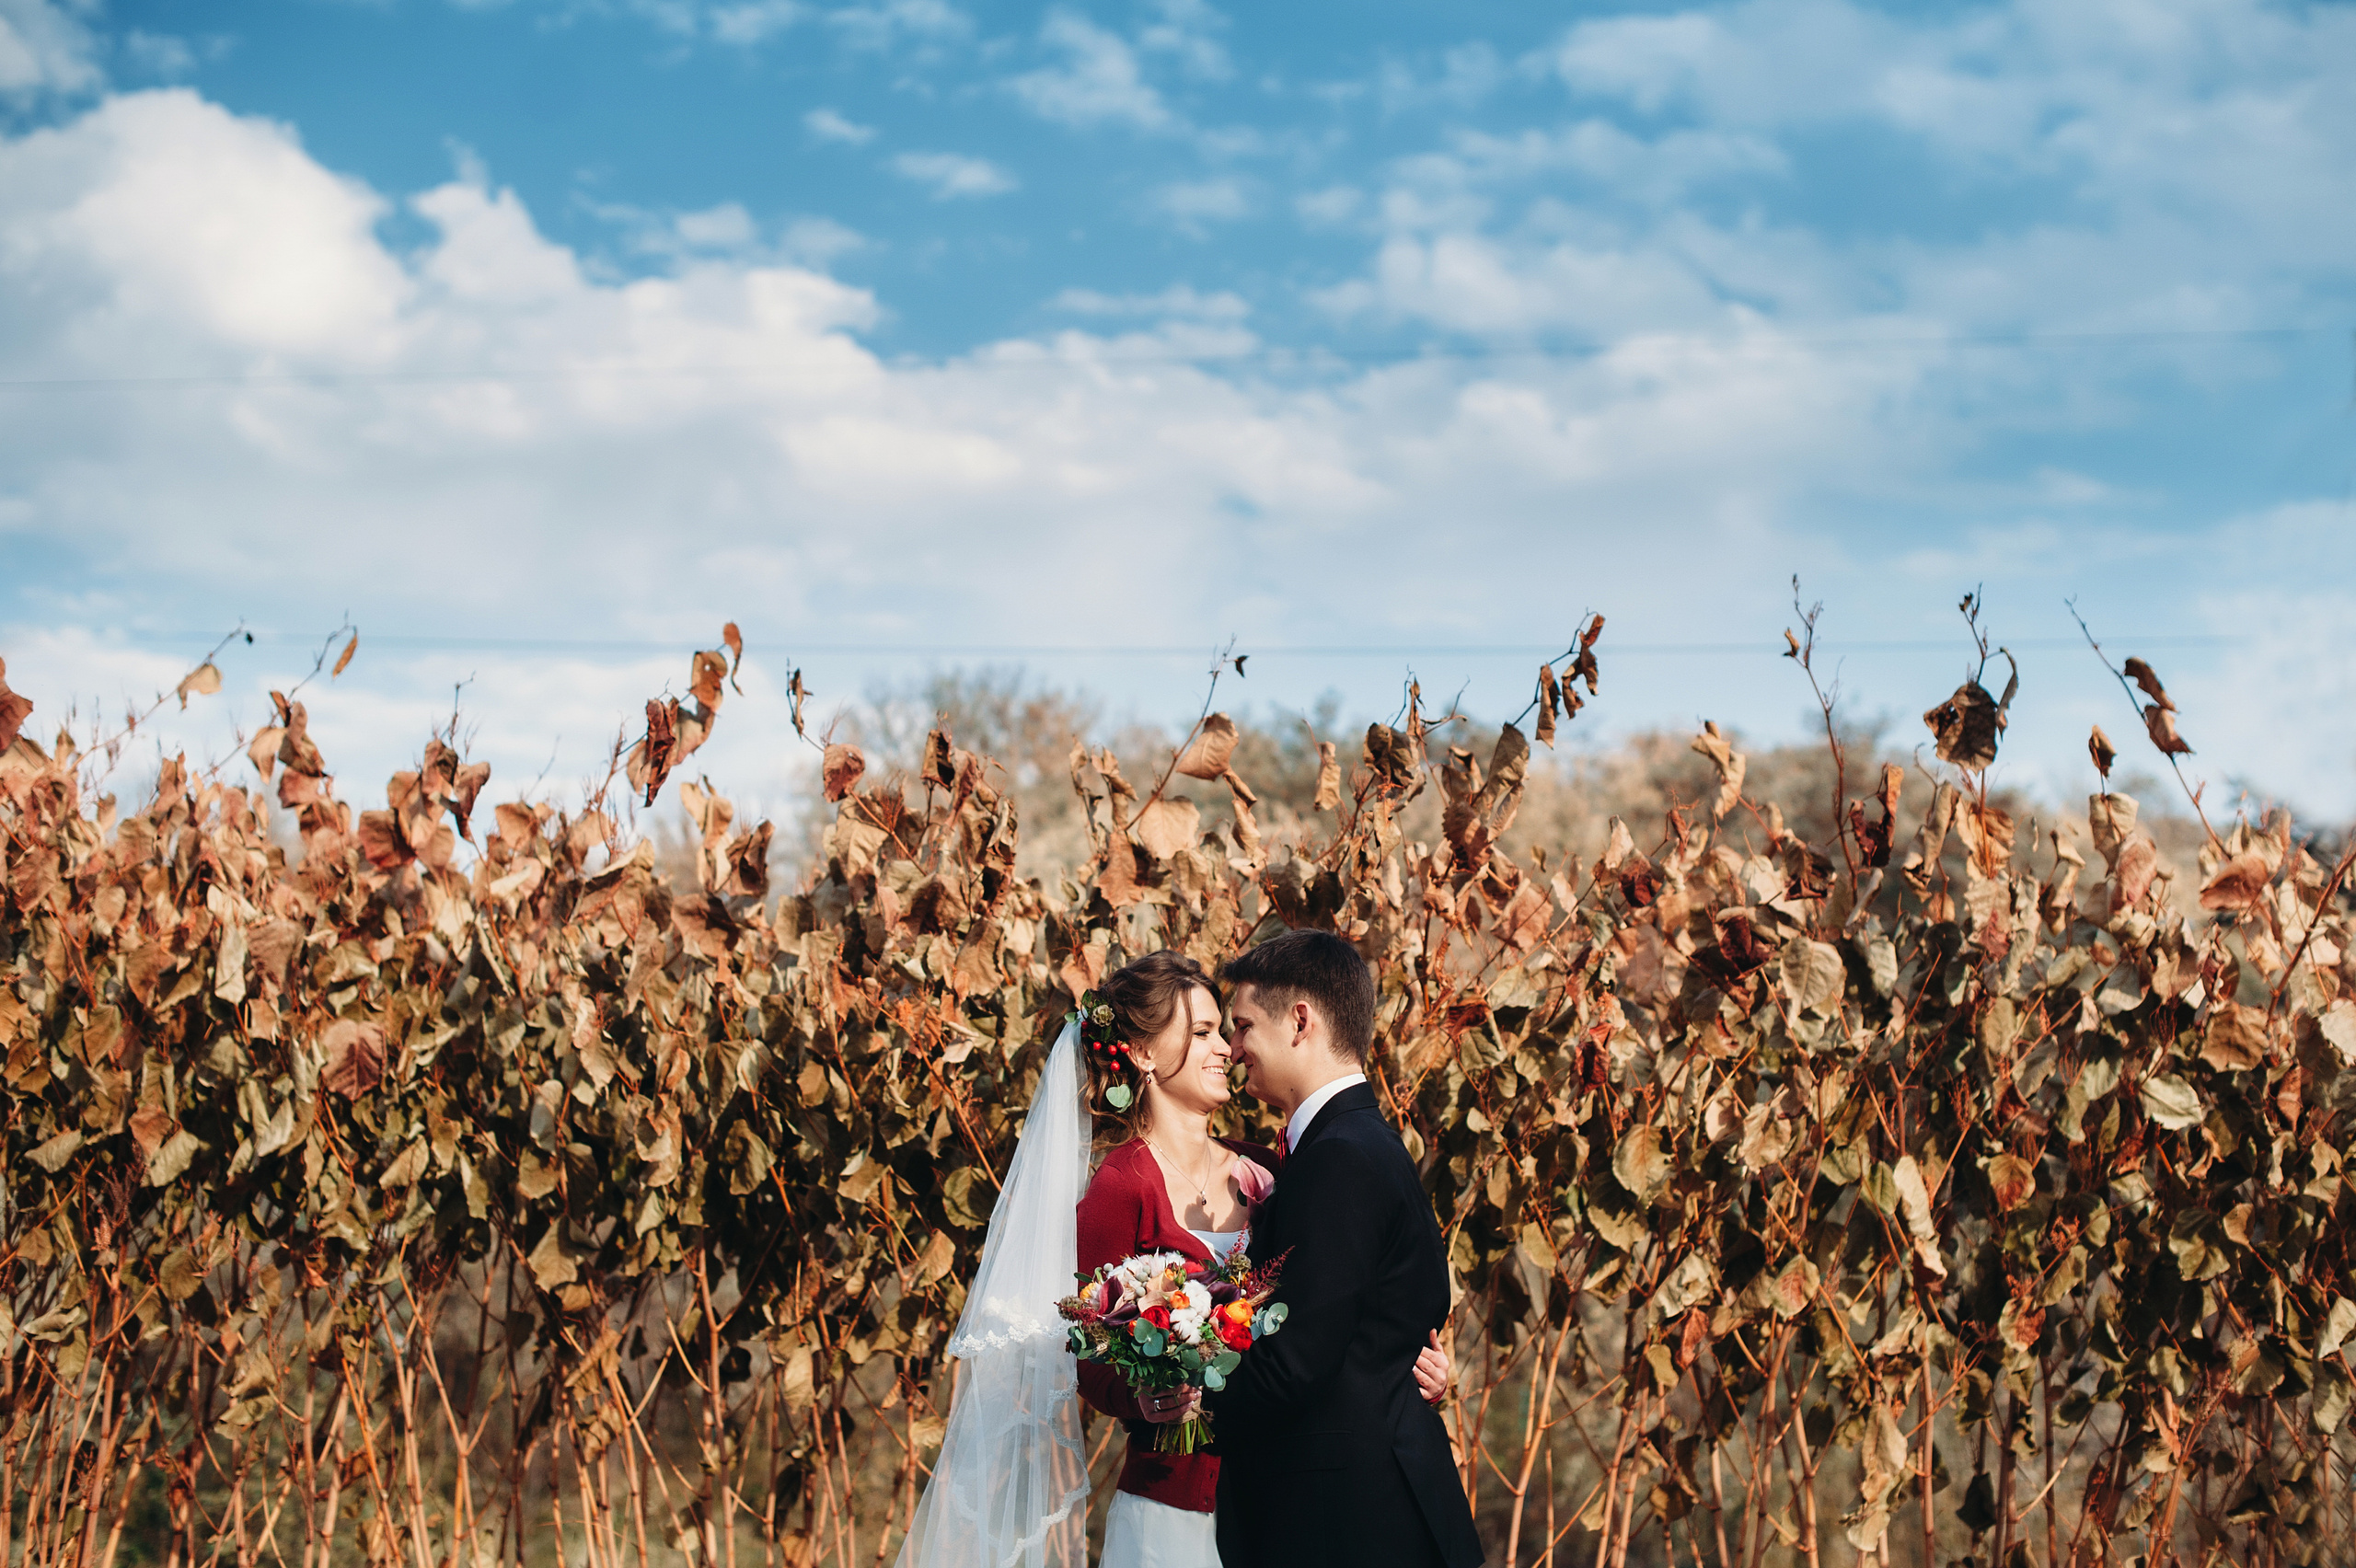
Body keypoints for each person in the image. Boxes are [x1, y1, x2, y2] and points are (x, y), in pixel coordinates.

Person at [1075, 951, 1453, 1568]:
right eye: (1202, 1032)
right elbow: (1089, 1351)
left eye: (1228, 1029)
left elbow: (1334, 1305)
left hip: (1286, 1495)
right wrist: (1142, 1394)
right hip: (1175, 1500)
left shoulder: (1273, 1169)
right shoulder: (1120, 1187)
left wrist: (1405, 1364)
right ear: (1141, 1053)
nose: (1226, 1046)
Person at [1205, 928, 1485, 1568]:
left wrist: (1175, 1401)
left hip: (1349, 1527)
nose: (1233, 1047)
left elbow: (1293, 1368)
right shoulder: (1363, 1144)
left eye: (1243, 1025)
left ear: (1299, 1020)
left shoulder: (1339, 1161)